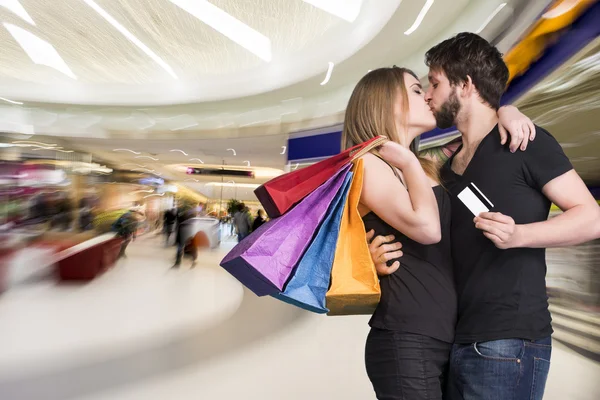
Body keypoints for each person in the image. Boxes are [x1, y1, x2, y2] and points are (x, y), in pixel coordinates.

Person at [368, 33, 600, 400]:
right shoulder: (447, 168)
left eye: (434, 83)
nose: (428, 95)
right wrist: (374, 259)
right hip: (457, 339)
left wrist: (520, 235)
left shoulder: (526, 142)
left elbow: (591, 218)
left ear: (465, 84)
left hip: (509, 340)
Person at [342, 59, 534, 400]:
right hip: (405, 335)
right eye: (417, 90)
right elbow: (427, 229)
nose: (428, 97)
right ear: (386, 101)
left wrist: (508, 111)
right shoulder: (368, 163)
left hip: (450, 336)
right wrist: (406, 161)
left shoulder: (428, 168)